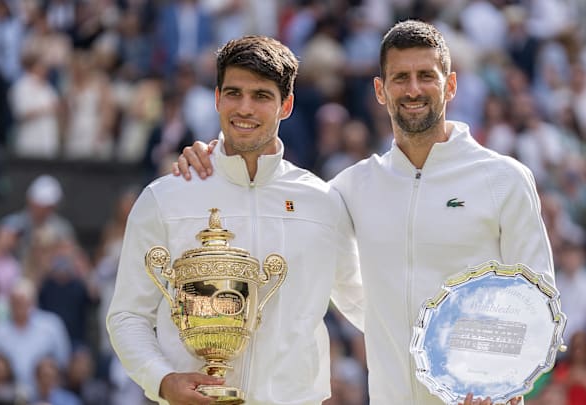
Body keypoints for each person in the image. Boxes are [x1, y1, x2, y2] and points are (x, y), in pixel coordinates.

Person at [175, 20, 551, 405]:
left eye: (426, 76)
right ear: (380, 90)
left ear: (450, 85)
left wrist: (500, 383)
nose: (414, 89)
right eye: (400, 77)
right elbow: (271, 190)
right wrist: (217, 159)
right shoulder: (350, 187)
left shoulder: (505, 178)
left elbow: (539, 302)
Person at [106, 35, 364, 405]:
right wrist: (162, 380)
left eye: (261, 96)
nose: (244, 108)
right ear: (216, 98)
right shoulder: (164, 197)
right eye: (233, 93)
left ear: (286, 105)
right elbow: (128, 315)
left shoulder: (322, 202)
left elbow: (364, 305)